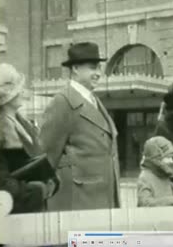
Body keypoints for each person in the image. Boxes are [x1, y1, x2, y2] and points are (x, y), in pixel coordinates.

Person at [40, 42, 120, 211]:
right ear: (75, 68)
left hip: (102, 198)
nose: (98, 73)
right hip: (79, 202)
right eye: (93, 68)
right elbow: (46, 158)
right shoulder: (61, 102)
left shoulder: (94, 100)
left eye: (99, 68)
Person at [0, 63, 58, 213]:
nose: (23, 91)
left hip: (36, 210)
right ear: (6, 95)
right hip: (12, 217)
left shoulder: (23, 124)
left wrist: (51, 180)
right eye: (18, 88)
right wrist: (38, 190)